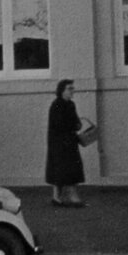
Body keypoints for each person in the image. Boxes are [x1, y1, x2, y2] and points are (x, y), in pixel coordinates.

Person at [44, 78, 85, 206]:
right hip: (60, 143)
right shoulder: (58, 105)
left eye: (72, 88)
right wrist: (75, 125)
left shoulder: (69, 104)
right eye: (69, 88)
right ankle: (71, 196)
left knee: (60, 169)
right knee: (67, 168)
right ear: (62, 90)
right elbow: (61, 124)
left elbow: (74, 122)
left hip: (66, 142)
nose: (72, 91)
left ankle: (56, 197)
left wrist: (76, 124)